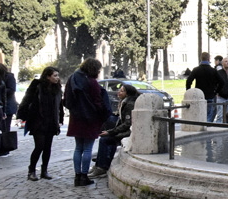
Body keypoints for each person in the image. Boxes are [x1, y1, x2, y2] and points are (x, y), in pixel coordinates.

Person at [64, 58, 110, 186]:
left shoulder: (72, 79)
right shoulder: (91, 82)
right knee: (88, 148)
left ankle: (77, 176)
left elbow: (67, 98)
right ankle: (84, 176)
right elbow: (98, 101)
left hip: (76, 117)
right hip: (90, 118)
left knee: (78, 148)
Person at [20, 67, 63, 181]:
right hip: (38, 120)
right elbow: (27, 100)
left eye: (57, 75)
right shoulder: (37, 86)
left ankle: (44, 170)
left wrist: (60, 119)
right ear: (47, 76)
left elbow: (59, 105)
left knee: (47, 147)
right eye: (54, 75)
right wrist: (22, 116)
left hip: (51, 121)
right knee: (39, 146)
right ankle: (31, 170)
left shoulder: (57, 88)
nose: (57, 78)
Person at [88, 84, 140, 179]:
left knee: (106, 140)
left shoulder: (129, 104)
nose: (118, 92)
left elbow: (127, 124)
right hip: (126, 130)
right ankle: (99, 165)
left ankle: (102, 167)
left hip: (130, 132)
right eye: (119, 90)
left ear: (128, 94)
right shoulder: (124, 102)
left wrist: (111, 132)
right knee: (105, 138)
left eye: (122, 91)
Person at [186, 52, 222, 122]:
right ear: (209, 59)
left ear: (201, 58)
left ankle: (201, 127)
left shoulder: (196, 70)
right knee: (208, 114)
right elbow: (222, 82)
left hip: (199, 95)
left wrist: (188, 90)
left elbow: (189, 81)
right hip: (210, 95)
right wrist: (216, 91)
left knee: (199, 114)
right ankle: (207, 127)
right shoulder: (213, 70)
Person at [0, 63, 17, 156]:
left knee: (5, 128)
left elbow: (11, 90)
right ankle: (0, 149)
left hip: (8, 106)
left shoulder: (9, 77)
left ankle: (6, 148)